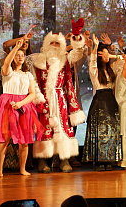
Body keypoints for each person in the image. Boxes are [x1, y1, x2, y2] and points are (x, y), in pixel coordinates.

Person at [32, 30, 87, 173]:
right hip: (44, 99)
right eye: (52, 42)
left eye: (58, 43)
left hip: (60, 99)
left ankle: (64, 160)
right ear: (46, 44)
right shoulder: (39, 60)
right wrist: (39, 97)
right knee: (44, 130)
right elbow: (33, 81)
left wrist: (76, 39)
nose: (55, 45)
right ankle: (43, 161)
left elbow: (78, 53)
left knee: (63, 128)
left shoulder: (65, 59)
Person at [0, 38, 43, 177]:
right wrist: (16, 48)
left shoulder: (28, 74)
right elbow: (7, 62)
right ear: (13, 57)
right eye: (17, 55)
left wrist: (21, 103)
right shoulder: (7, 71)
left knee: (24, 141)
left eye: (22, 55)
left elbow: (32, 94)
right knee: (4, 139)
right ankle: (0, 170)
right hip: (7, 105)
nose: (20, 57)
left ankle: (22, 169)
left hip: (23, 106)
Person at [83, 35, 122, 171]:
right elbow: (93, 61)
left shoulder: (111, 68)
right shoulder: (95, 70)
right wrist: (95, 47)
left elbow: (123, 59)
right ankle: (99, 160)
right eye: (104, 53)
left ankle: (109, 158)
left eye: (108, 53)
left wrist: (111, 50)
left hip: (110, 100)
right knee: (99, 130)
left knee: (111, 130)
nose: (108, 55)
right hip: (100, 100)